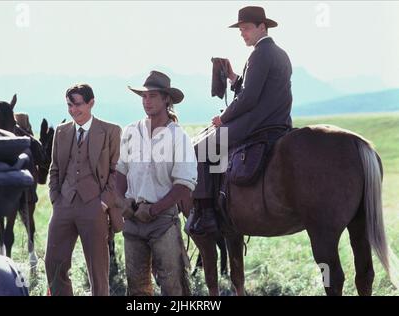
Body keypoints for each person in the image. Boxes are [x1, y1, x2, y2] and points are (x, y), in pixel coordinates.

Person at [190, 6, 293, 235]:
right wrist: (233, 77)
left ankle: (206, 213)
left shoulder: (260, 53)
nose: (243, 33)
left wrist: (222, 118)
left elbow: (249, 98)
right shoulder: (278, 53)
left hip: (257, 124)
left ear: (262, 27)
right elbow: (255, 89)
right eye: (241, 30)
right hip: (278, 122)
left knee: (200, 148)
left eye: (247, 28)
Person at [115, 71, 197, 296]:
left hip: (162, 221)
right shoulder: (131, 132)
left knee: (172, 284)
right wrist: (122, 201)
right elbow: (120, 171)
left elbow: (183, 184)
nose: (147, 101)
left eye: (152, 96)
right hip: (132, 217)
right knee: (136, 286)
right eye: (144, 96)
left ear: (166, 99)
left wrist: (154, 209)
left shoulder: (178, 137)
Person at [45, 84, 121, 296]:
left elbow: (117, 171)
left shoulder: (111, 131)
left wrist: (103, 203)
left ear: (91, 103)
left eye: (78, 104)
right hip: (64, 205)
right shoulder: (61, 131)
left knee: (98, 272)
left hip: (94, 206)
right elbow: (55, 168)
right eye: (69, 105)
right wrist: (55, 199)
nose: (73, 110)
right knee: (53, 264)